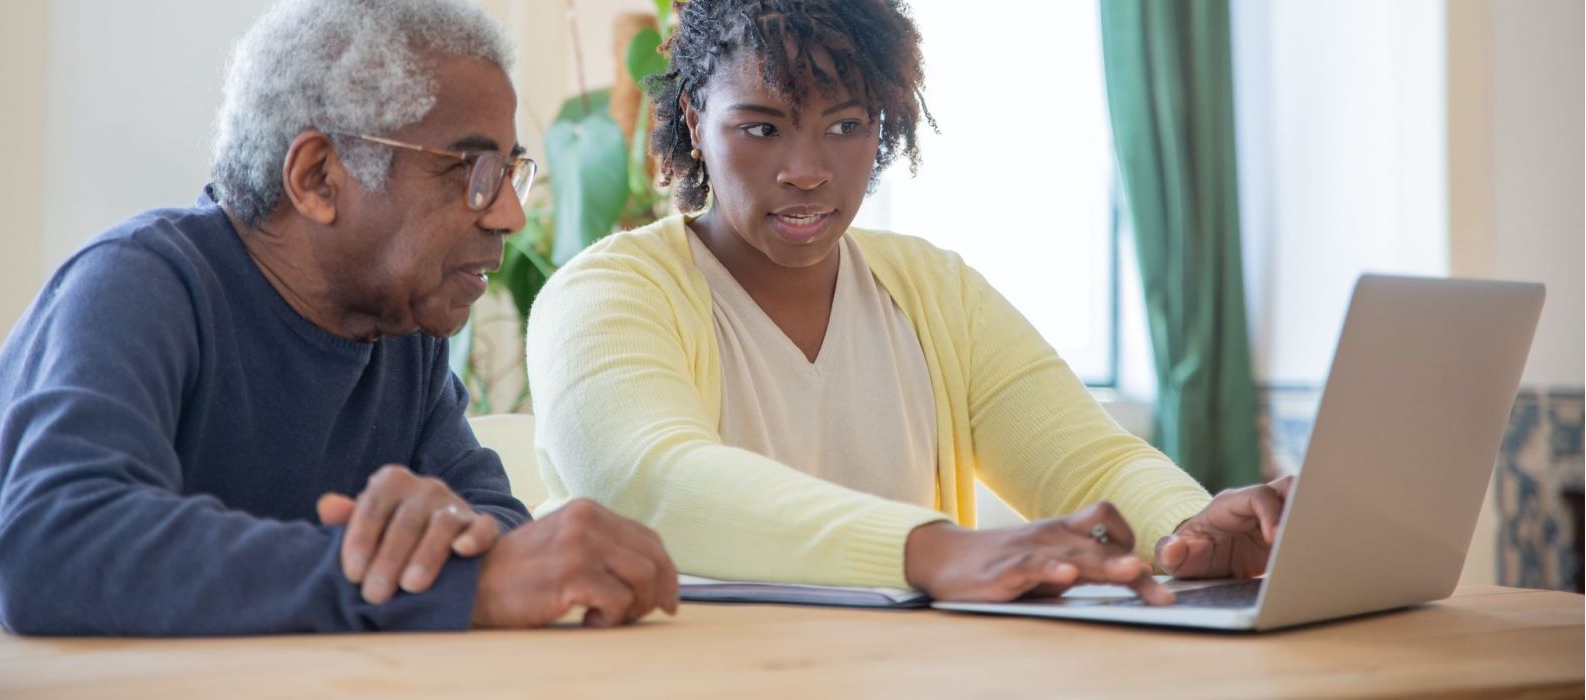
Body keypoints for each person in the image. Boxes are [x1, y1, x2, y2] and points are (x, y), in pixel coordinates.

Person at [525, 0, 1292, 604]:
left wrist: (1188, 532)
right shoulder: (606, 295)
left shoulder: (936, 291)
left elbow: (1088, 461)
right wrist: (933, 550)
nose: (807, 171)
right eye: (760, 128)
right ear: (694, 121)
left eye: (846, 126)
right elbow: (652, 482)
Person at [0, 0, 677, 636]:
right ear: (318, 176)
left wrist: (444, 542)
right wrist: (424, 583)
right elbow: (55, 543)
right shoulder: (140, 285)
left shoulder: (400, 331)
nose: (509, 214)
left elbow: (491, 524)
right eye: (471, 170)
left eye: (510, 171)